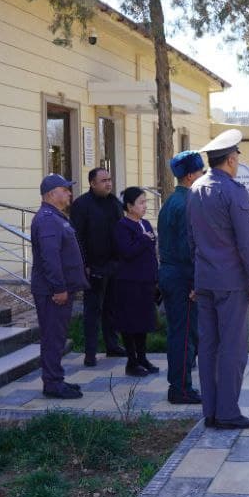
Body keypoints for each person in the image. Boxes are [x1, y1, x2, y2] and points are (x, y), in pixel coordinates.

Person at [187, 128, 249, 429]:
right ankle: (228, 413)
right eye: (237, 159)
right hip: (231, 282)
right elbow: (246, 243)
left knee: (208, 347)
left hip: (204, 279)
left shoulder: (195, 189)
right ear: (231, 160)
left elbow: (190, 238)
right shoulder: (233, 191)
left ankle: (211, 411)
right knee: (232, 348)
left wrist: (196, 279)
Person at [29, 173, 88, 399]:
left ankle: (56, 378)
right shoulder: (47, 219)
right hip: (52, 292)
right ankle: (53, 384)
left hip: (56, 289)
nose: (69, 193)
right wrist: (59, 288)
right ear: (52, 194)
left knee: (57, 336)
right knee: (53, 337)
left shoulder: (54, 216)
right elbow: (50, 257)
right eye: (65, 190)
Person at [159, 150, 205, 405]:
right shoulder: (188, 203)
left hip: (171, 273)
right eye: (200, 173)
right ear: (190, 176)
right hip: (183, 277)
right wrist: (196, 282)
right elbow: (188, 248)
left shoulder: (172, 201)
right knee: (185, 335)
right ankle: (180, 389)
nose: (203, 177)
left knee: (179, 332)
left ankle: (179, 384)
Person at [70, 167, 126, 366]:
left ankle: (112, 345)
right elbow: (77, 238)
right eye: (103, 181)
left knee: (111, 308)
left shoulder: (115, 203)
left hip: (114, 265)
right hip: (93, 267)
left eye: (109, 179)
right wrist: (84, 264)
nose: (108, 183)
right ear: (92, 183)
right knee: (92, 310)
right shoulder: (81, 205)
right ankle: (90, 352)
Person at [112, 187, 160, 377]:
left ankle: (142, 358)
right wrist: (143, 240)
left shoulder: (146, 223)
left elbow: (151, 251)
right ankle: (131, 362)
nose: (144, 206)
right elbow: (127, 251)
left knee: (143, 322)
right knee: (130, 323)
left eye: (145, 202)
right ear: (129, 206)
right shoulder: (122, 226)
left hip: (146, 281)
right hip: (129, 282)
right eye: (140, 202)